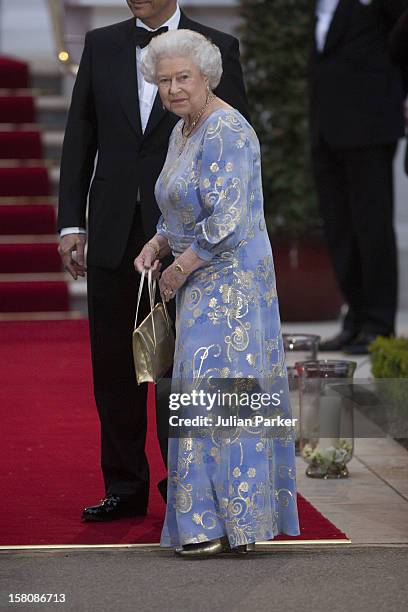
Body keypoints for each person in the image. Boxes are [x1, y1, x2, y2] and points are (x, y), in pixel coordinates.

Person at [57, 0, 249, 522]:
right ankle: (124, 486)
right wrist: (72, 223)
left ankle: (183, 484)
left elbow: (234, 154)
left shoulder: (218, 48)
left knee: (182, 371)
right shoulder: (100, 45)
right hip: (116, 234)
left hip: (189, 243)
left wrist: (200, 248)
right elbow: (81, 135)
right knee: (113, 369)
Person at [134, 29, 300, 557]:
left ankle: (233, 522)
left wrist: (181, 266)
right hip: (198, 276)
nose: (174, 89)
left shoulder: (227, 128)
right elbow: (179, 203)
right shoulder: (184, 129)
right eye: (165, 81)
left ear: (207, 77)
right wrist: (157, 244)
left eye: (184, 78)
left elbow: (228, 217)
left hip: (230, 283)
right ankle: (209, 521)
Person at [310, 0, 408, 355]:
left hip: (369, 127)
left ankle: (379, 325)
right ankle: (355, 319)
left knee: (372, 228)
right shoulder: (319, 8)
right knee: (340, 229)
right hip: (325, 131)